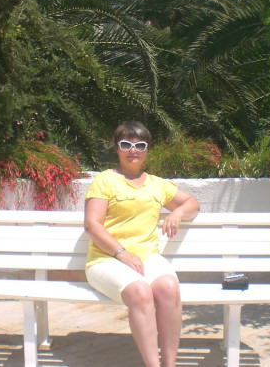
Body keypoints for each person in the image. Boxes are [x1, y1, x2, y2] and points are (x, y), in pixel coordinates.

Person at [84, 121, 200, 367]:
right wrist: (121, 252)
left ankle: (169, 364)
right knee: (140, 292)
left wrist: (177, 213)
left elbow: (192, 203)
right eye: (126, 144)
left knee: (169, 287)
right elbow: (92, 225)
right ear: (117, 148)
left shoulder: (157, 184)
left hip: (147, 257)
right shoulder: (104, 180)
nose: (133, 150)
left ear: (147, 150)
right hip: (106, 259)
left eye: (140, 145)